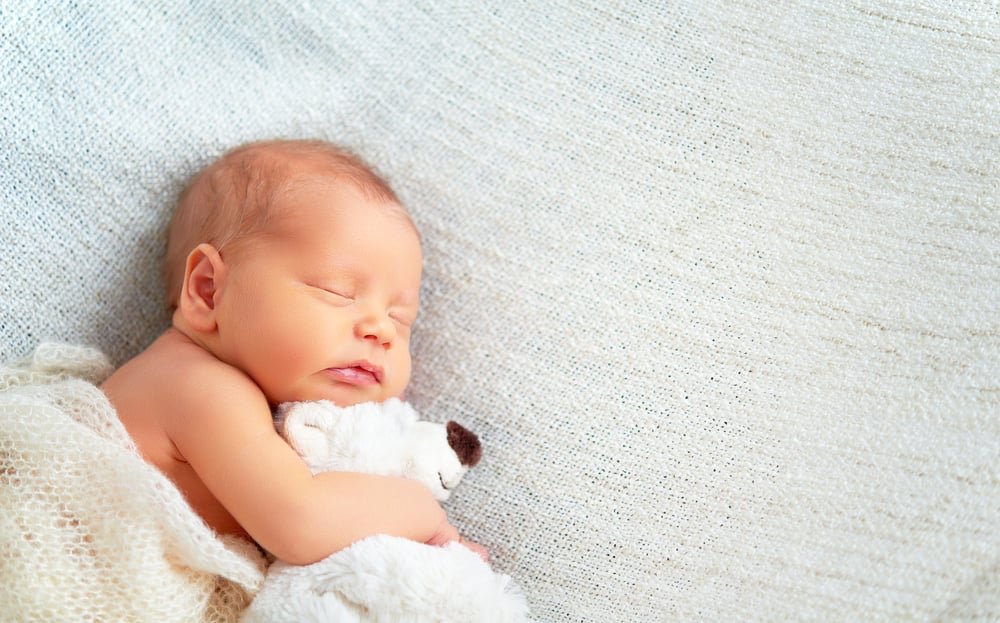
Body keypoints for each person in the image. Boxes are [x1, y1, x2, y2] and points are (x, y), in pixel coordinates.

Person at [100, 139, 486, 565]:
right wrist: (425, 514)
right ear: (209, 290)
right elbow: (301, 522)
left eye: (400, 318)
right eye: (337, 291)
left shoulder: (262, 415)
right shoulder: (195, 386)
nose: (380, 330)